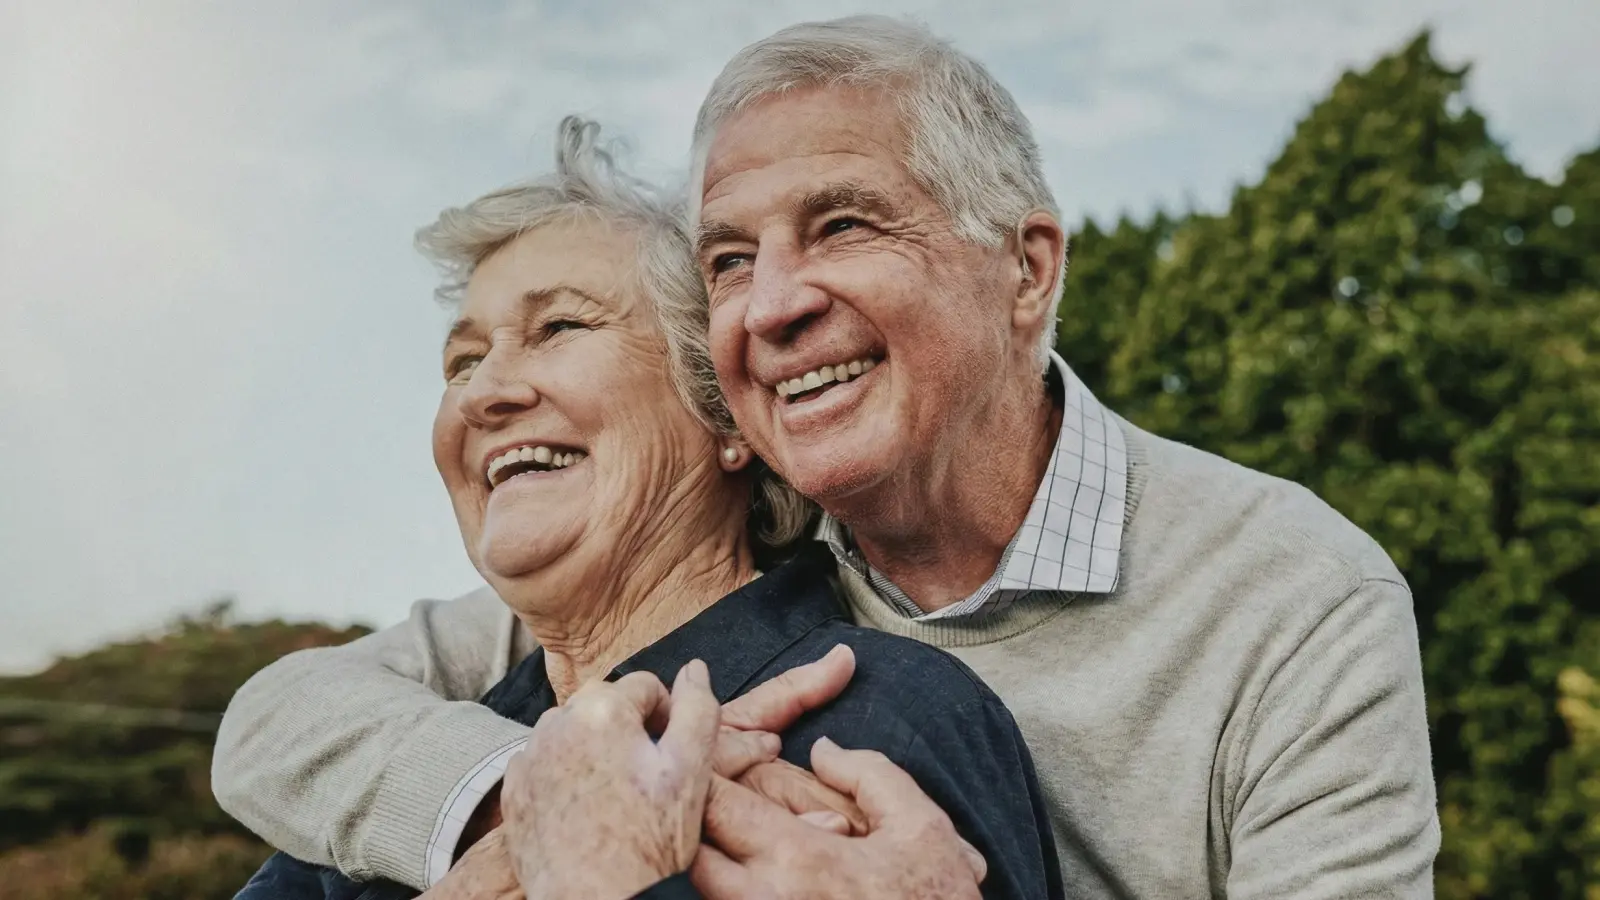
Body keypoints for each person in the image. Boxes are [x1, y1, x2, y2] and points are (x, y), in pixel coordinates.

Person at [215, 15, 1441, 899]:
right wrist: (529, 796)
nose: (771, 305)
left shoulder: (1294, 598)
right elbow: (281, 717)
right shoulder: (692, 582)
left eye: (843, 224)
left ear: (1026, 271)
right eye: (728, 260)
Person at [226, 115, 1060, 900]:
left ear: (725, 416)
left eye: (559, 327)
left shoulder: (882, 720)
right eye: (462, 362)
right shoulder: (411, 783)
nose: (482, 394)